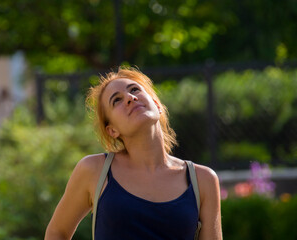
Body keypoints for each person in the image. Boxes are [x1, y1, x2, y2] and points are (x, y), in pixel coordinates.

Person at [44, 66, 222, 240]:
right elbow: (56, 233)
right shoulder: (94, 171)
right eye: (116, 100)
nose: (130, 98)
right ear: (112, 130)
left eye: (135, 90)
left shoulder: (202, 180)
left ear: (157, 105)